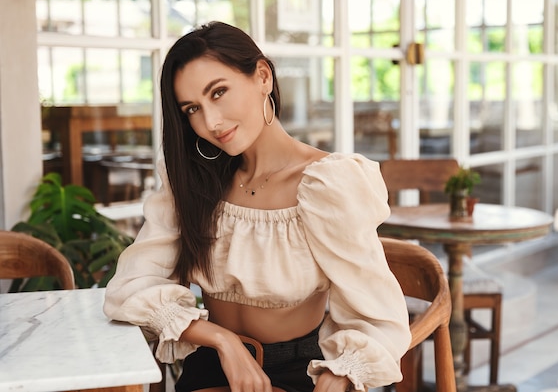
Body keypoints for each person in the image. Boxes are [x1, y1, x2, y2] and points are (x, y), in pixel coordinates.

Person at [103, 21, 411, 392]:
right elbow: (130, 285)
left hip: (301, 373)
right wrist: (222, 340)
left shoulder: (327, 184)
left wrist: (342, 371)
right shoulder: (193, 178)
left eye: (218, 93)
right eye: (191, 109)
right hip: (210, 366)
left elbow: (378, 313)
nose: (210, 122)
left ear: (262, 76)